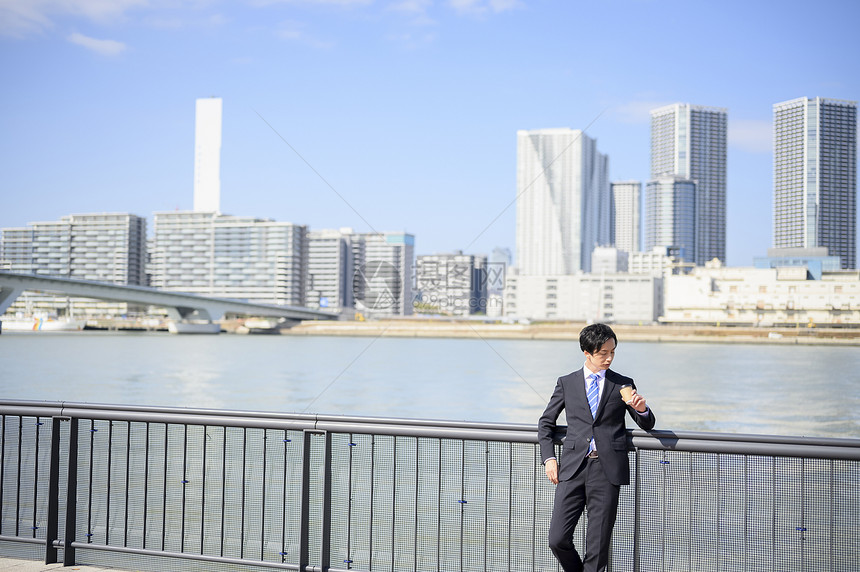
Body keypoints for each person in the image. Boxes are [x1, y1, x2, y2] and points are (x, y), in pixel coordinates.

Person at [538, 323, 655, 572]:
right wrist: (549, 459)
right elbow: (546, 423)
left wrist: (641, 409)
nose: (609, 358)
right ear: (587, 353)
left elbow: (646, 424)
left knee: (598, 546)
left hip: (607, 470)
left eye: (612, 352)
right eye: (603, 353)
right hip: (571, 469)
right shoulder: (566, 383)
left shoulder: (623, 383)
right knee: (557, 539)